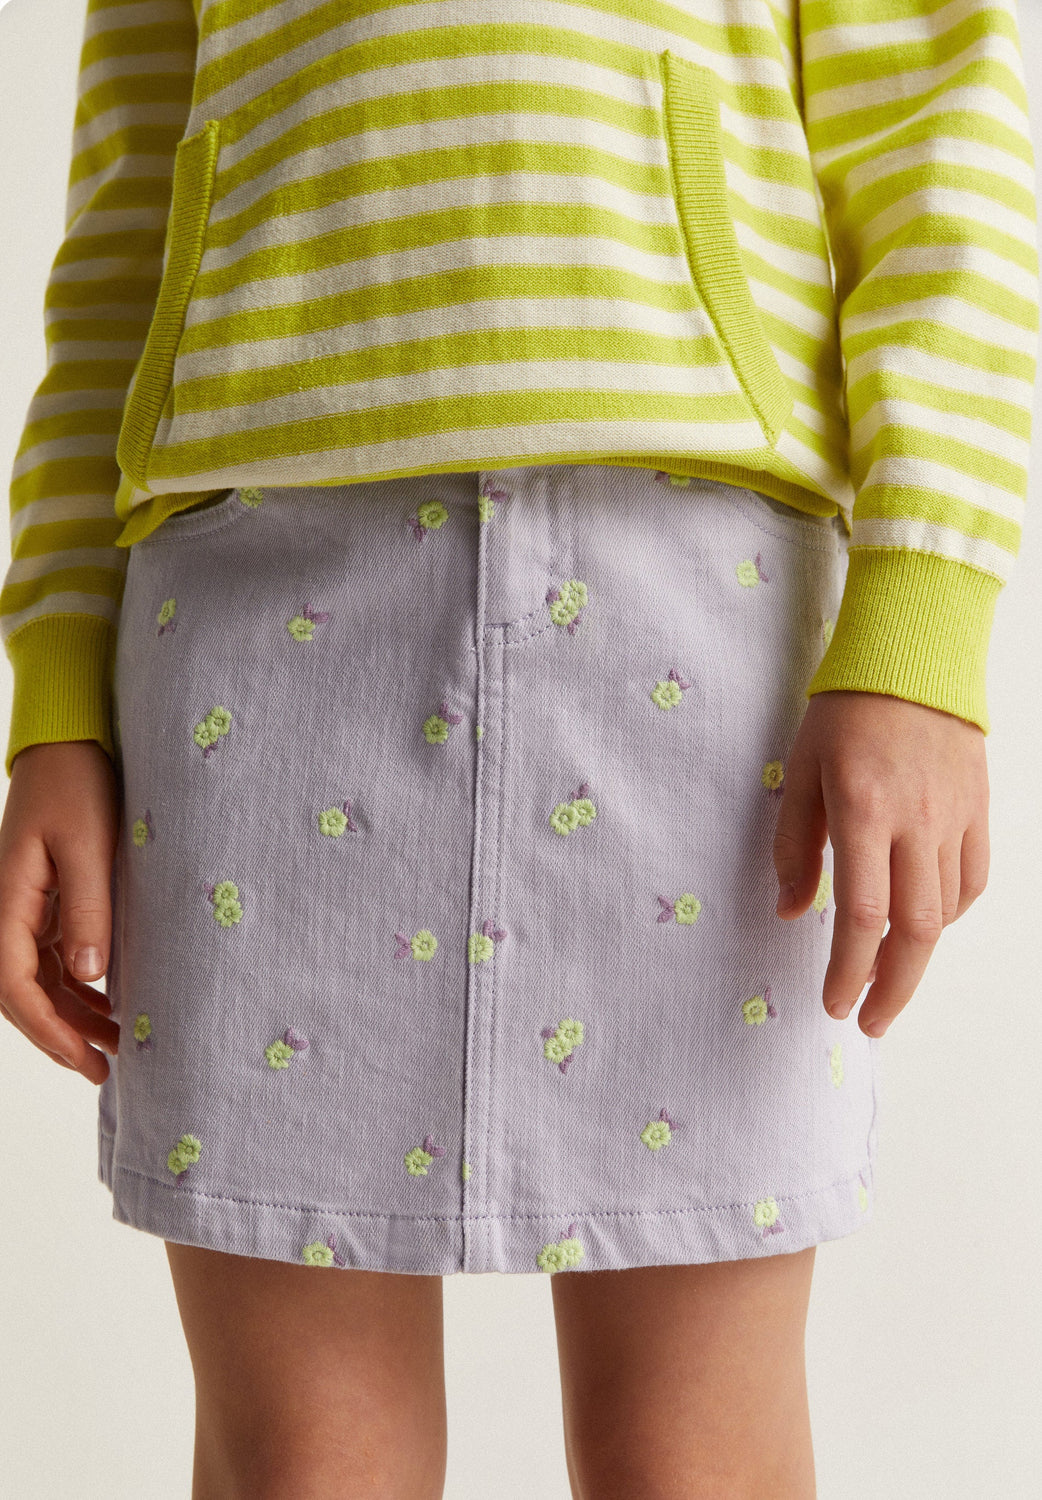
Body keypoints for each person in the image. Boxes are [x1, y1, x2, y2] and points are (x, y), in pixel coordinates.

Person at [0, 0, 1034, 1494]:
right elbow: (121, 245)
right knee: (303, 1468)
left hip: (696, 635)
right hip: (251, 637)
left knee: (692, 1462)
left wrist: (922, 617)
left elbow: (939, 136)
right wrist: (58, 694)